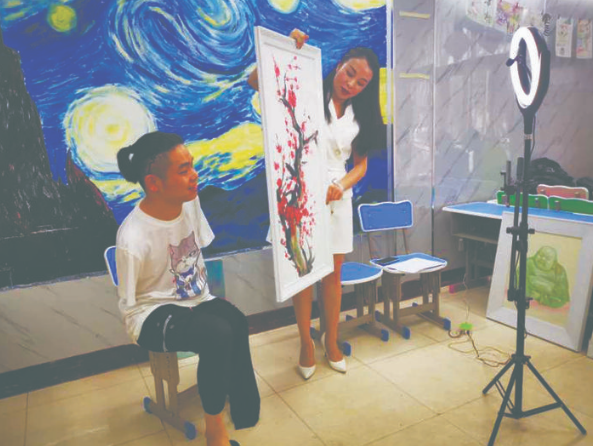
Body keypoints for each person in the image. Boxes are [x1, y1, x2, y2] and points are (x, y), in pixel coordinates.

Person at [249, 29, 385, 379]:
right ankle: (306, 342)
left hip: (338, 197)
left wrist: (341, 185)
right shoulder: (308, 90)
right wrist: (285, 46)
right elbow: (255, 81)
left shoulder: (362, 115)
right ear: (339, 65)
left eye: (362, 82)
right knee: (303, 272)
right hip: (301, 190)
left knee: (333, 276)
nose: (351, 84)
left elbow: (360, 166)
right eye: (349, 73)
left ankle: (332, 338)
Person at [115, 132, 259, 446]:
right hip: (149, 313)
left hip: (194, 298)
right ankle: (215, 433)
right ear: (154, 183)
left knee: (236, 321)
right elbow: (129, 304)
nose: (194, 174)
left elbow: (197, 249)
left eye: (192, 165)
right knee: (216, 333)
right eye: (183, 170)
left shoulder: (189, 201)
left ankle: (245, 409)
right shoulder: (132, 238)